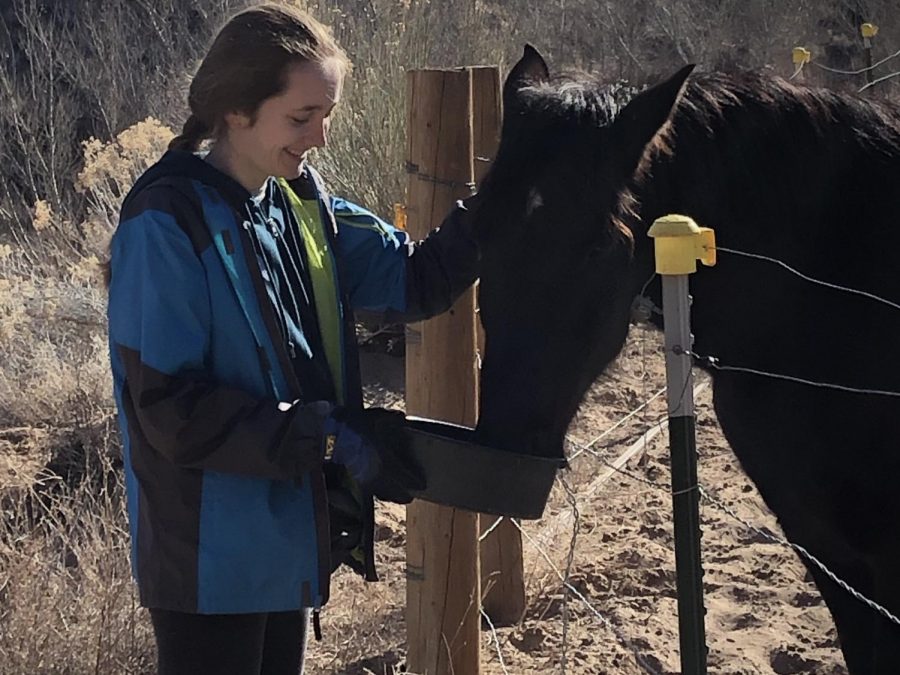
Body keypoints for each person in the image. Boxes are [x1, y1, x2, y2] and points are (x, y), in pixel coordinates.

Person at [106, 4, 479, 674]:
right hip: (208, 560)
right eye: (302, 117)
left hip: (286, 540)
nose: (323, 136)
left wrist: (502, 209)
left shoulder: (300, 200)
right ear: (235, 110)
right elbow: (169, 409)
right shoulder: (165, 222)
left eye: (327, 113)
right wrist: (329, 437)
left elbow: (416, 279)